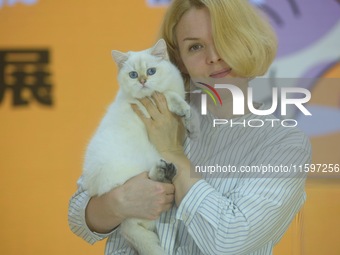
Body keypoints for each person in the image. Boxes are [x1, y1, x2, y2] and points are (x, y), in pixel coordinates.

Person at [68, 0, 311, 254]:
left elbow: (228, 242)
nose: (214, 57)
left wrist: (172, 152)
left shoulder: (284, 144)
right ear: (179, 60)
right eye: (195, 47)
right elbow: (78, 215)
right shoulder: (149, 108)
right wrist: (118, 203)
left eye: (224, 37)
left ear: (247, 41)